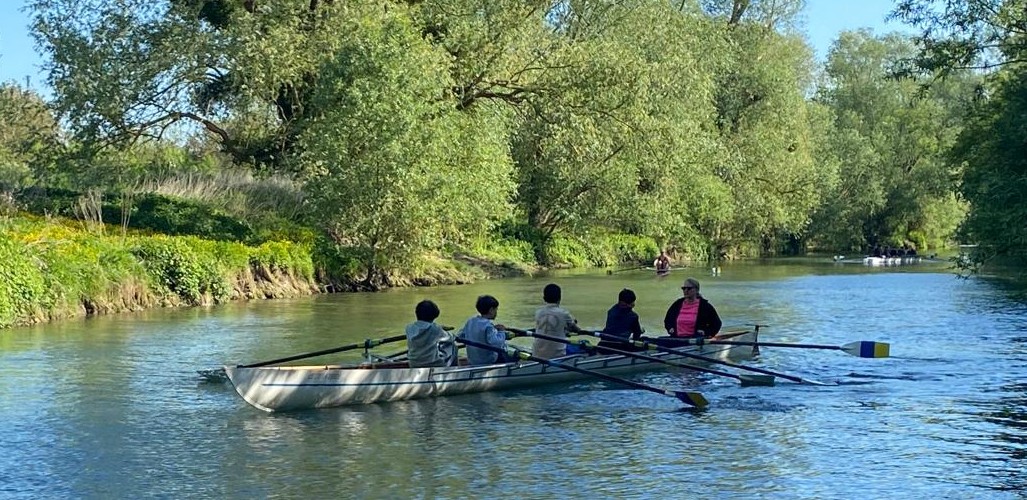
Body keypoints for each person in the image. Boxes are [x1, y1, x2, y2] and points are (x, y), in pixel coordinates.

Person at [531, 283, 585, 359]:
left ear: (544, 298)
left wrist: (564, 330)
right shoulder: (564, 313)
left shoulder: (538, 313)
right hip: (557, 354)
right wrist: (571, 328)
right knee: (585, 344)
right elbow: (577, 330)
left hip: (536, 353)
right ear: (560, 298)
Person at [458, 295, 513, 365]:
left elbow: (460, 336)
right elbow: (497, 344)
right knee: (509, 355)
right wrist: (501, 332)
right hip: (487, 361)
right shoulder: (488, 326)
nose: (496, 312)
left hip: (473, 360)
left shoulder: (470, 321)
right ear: (491, 310)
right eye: (496, 309)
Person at [405, 300, 457, 368]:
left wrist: (439, 328)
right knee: (453, 346)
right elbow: (451, 338)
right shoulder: (435, 329)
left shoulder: (409, 328)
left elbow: (423, 328)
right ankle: (454, 369)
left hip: (413, 364)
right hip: (434, 364)